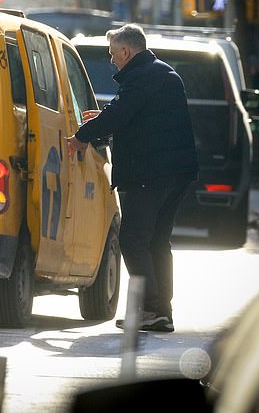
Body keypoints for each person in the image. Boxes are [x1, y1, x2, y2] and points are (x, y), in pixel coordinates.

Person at [67, 24, 198, 332]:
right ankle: (161, 311)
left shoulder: (140, 77)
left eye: (113, 54)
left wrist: (83, 134)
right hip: (176, 172)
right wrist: (101, 120)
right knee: (157, 242)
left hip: (148, 172)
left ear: (126, 51)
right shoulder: (163, 73)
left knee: (133, 239)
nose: (112, 61)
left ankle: (150, 308)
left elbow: (122, 113)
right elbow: (135, 116)